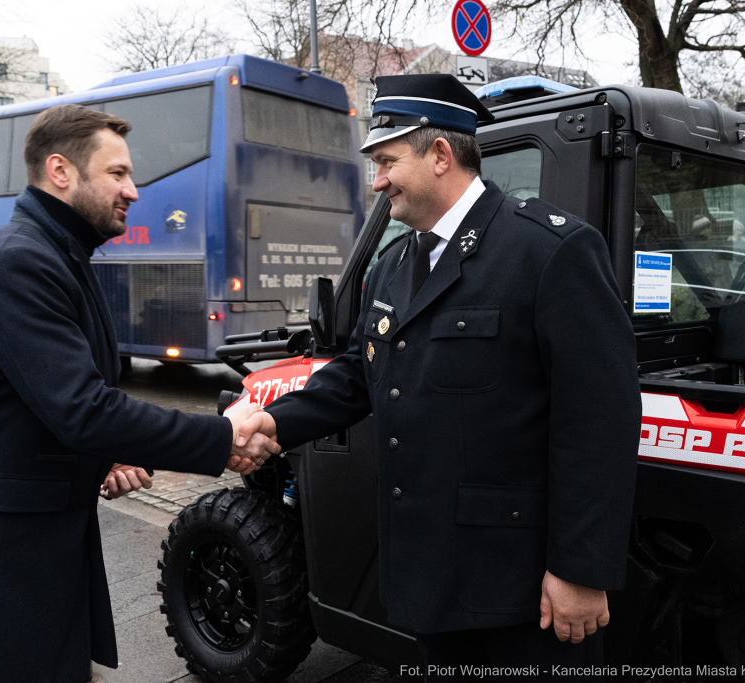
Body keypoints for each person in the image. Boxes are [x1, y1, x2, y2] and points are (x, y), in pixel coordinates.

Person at [0, 105, 277, 683]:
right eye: (118, 173)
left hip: (17, 542)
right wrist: (222, 435)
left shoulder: (55, 255)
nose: (133, 190)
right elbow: (83, 408)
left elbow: (39, 401)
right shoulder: (20, 262)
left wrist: (103, 455)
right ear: (60, 171)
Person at [238, 75, 641, 678]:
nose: (376, 181)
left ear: (441, 156)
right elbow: (359, 371)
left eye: (386, 161)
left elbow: (600, 422)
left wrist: (580, 571)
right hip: (428, 579)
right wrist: (274, 419)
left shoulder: (549, 252)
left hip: (521, 589)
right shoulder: (396, 262)